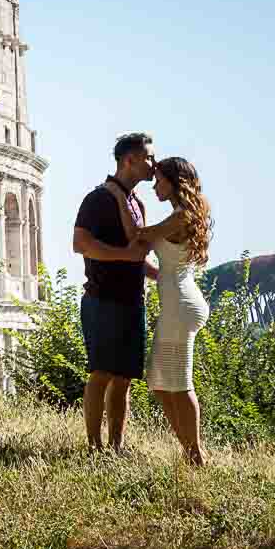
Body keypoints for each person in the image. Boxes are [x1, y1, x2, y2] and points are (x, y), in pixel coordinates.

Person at [107, 156, 213, 465]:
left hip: (180, 305)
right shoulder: (181, 214)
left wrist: (120, 196)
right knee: (160, 382)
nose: (155, 185)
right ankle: (190, 452)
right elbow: (158, 254)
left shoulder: (180, 217)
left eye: (160, 180)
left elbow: (138, 235)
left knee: (180, 383)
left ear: (174, 183)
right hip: (178, 302)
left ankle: (195, 455)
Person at [72, 133, 159, 452]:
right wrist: (126, 257)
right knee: (101, 373)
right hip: (102, 299)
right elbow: (80, 243)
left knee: (124, 378)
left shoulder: (138, 204)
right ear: (129, 160)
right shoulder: (98, 199)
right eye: (149, 157)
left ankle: (116, 446)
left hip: (133, 302)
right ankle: (94, 447)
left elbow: (138, 257)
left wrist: (161, 277)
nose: (154, 164)